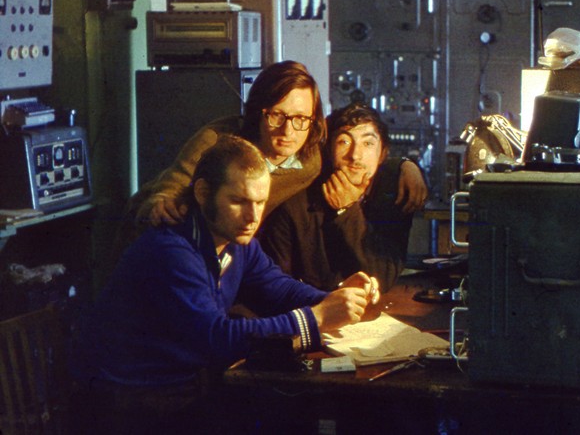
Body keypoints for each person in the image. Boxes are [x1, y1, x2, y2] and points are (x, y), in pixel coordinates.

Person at [70, 135, 380, 432]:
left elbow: (277, 288)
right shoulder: (173, 249)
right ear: (203, 193)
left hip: (180, 387)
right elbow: (218, 338)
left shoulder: (235, 240)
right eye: (238, 201)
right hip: (132, 402)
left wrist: (338, 298)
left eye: (260, 202)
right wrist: (319, 316)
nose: (252, 217)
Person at [108, 61, 427, 288]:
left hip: (233, 257)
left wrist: (405, 166)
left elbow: (357, 152)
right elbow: (173, 185)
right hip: (162, 243)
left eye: (300, 118)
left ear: (313, 122)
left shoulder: (311, 152)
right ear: (258, 112)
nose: (288, 131)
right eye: (276, 115)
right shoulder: (220, 141)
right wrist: (161, 202)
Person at [260, 103, 413, 293]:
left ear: (382, 153)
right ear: (329, 150)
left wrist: (348, 210)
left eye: (368, 143)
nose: (355, 156)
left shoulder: (392, 200)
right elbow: (276, 288)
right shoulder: (294, 208)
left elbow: (383, 276)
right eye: (344, 142)